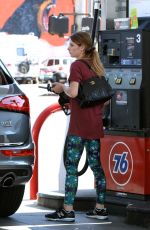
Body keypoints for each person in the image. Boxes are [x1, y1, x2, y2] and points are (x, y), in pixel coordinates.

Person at [45, 31, 108, 222]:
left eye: (72, 45)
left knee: (72, 167)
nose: (69, 48)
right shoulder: (96, 66)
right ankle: (100, 209)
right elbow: (103, 100)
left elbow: (72, 93)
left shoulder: (77, 66)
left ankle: (67, 210)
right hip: (95, 125)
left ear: (82, 47)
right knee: (97, 167)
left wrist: (60, 88)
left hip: (79, 127)